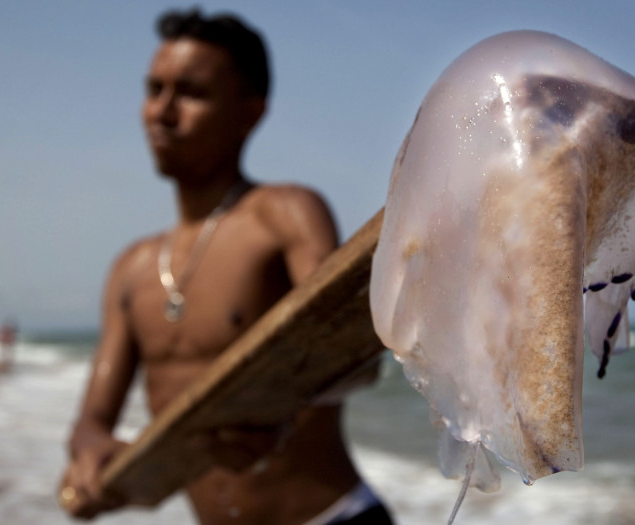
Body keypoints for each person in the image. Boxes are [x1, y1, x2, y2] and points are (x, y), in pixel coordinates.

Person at [59, 9, 393, 525]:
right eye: (154, 89)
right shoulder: (132, 268)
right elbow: (91, 420)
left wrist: (276, 409)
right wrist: (90, 455)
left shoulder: (283, 214)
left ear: (249, 112)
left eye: (191, 93)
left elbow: (356, 357)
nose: (162, 111)